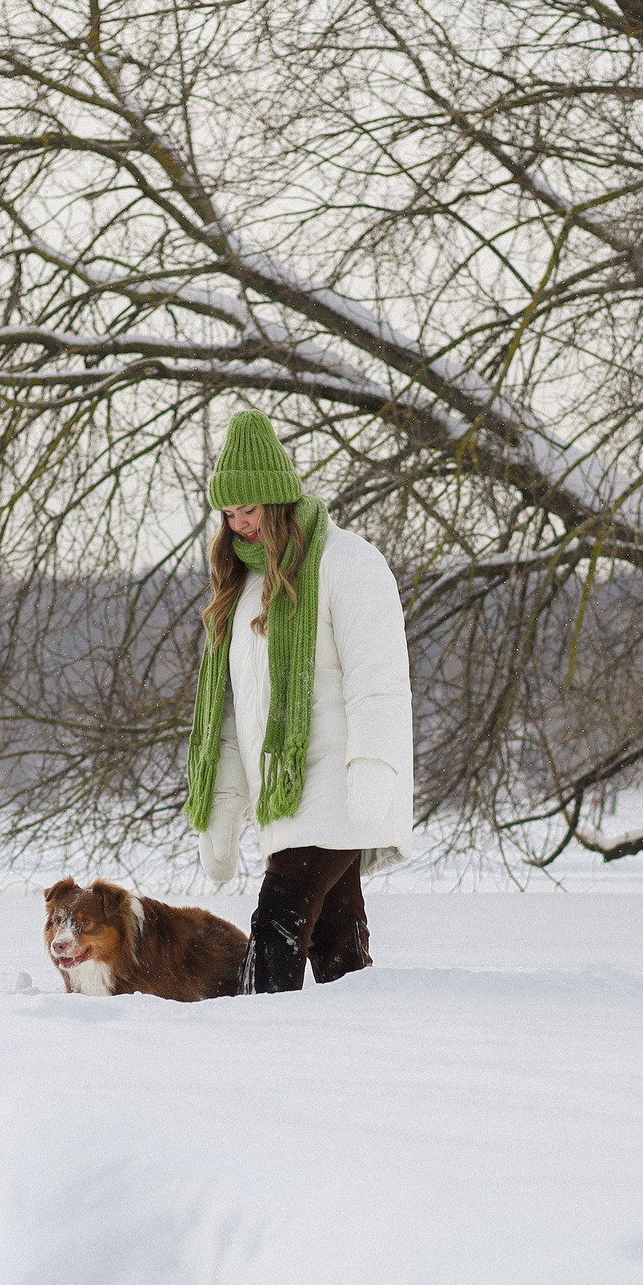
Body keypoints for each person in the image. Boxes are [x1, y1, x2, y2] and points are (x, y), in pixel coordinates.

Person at [186, 411, 414, 993]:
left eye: (251, 509)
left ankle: (256, 1034)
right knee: (336, 941)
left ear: (279, 500)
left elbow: (377, 679)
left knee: (278, 919)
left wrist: (371, 768)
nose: (240, 525)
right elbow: (236, 716)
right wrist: (225, 807)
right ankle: (354, 1042)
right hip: (282, 793)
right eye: (229, 514)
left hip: (339, 781)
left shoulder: (348, 563)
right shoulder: (240, 592)